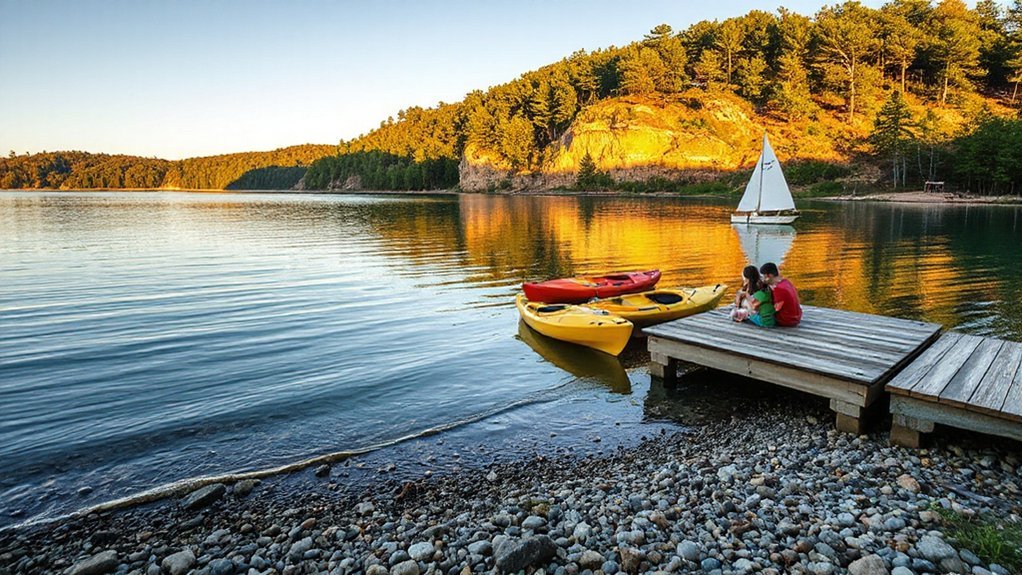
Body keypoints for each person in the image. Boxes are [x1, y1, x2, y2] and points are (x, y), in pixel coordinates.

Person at [759, 262, 802, 327]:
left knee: (753, 315)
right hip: (796, 318)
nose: (763, 279)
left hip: (786, 320)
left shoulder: (778, 289)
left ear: (769, 275)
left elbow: (775, 309)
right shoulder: (786, 282)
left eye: (763, 276)